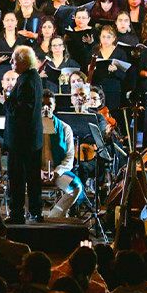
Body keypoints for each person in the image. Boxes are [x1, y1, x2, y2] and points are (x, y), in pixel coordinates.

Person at [2, 46, 44, 224]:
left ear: (24, 62)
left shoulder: (27, 81)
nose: (11, 62)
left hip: (22, 140)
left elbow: (21, 111)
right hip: (30, 139)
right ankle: (35, 211)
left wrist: (6, 101)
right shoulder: (31, 78)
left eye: (14, 59)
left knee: (18, 178)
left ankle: (17, 213)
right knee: (32, 178)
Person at [40, 90, 85, 218]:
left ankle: (53, 217)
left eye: (49, 104)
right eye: (42, 104)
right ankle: (30, 216)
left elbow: (70, 157)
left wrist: (56, 173)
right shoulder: (30, 128)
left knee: (76, 187)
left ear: (54, 106)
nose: (46, 108)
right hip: (35, 172)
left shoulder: (65, 128)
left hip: (57, 172)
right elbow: (25, 155)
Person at [87, 26, 128, 111]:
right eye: (103, 37)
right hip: (97, 87)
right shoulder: (95, 50)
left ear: (114, 38)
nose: (106, 40)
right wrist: (90, 69)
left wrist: (115, 70)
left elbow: (124, 75)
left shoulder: (120, 53)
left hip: (113, 88)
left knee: (112, 113)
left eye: (109, 37)